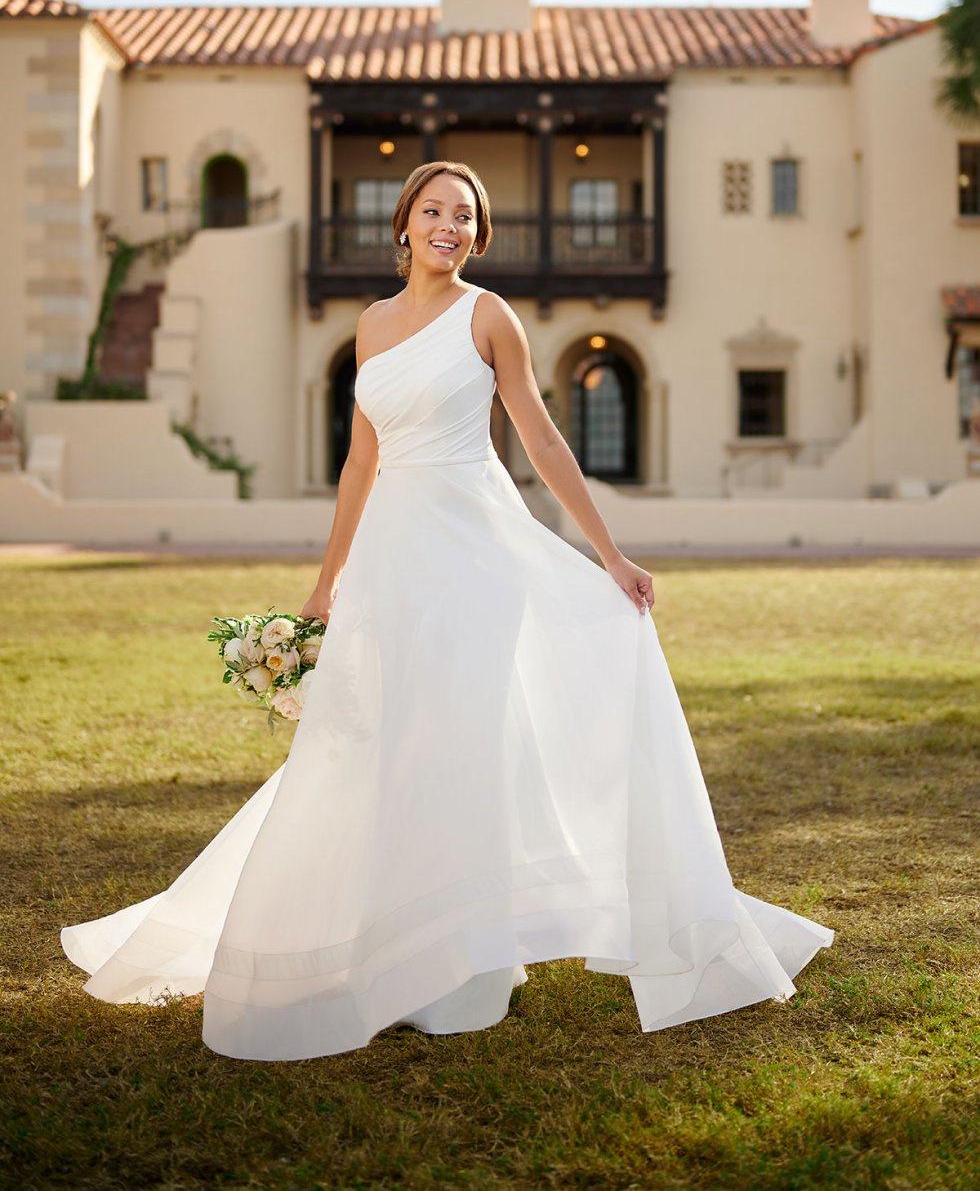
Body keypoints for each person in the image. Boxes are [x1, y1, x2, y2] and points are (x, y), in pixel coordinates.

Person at [61, 160, 833, 1061]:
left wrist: (608, 553)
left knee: (465, 743)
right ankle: (393, 943)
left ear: (478, 232)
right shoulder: (371, 325)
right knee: (383, 745)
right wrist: (324, 585)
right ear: (404, 224)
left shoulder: (488, 315)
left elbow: (539, 436)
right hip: (393, 556)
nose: (449, 225)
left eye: (464, 215)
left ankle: (468, 963)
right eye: (434, 210)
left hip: (476, 551)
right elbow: (360, 463)